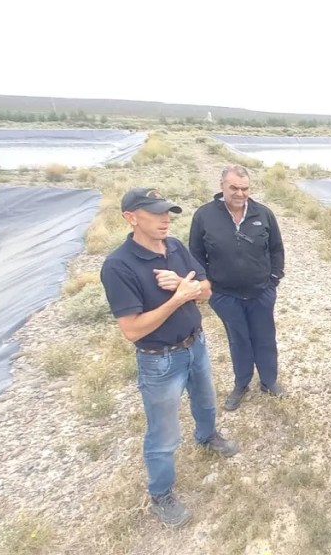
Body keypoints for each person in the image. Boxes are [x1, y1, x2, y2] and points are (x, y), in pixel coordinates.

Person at [100, 187, 240, 528]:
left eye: (167, 212)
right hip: (159, 359)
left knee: (206, 403)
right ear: (130, 218)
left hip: (196, 344)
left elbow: (205, 290)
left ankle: (207, 436)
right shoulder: (118, 266)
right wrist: (178, 298)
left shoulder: (175, 247)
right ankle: (161, 493)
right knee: (163, 433)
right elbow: (132, 330)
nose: (165, 220)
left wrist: (183, 284)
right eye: (156, 213)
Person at [189, 164, 286, 412]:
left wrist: (273, 279)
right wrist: (206, 284)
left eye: (244, 188)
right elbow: (196, 254)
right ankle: (241, 383)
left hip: (261, 292)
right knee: (238, 338)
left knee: (264, 337)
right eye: (234, 188)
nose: (240, 194)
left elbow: (276, 249)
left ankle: (268, 381)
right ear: (222, 186)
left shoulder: (263, 214)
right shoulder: (204, 216)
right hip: (225, 295)